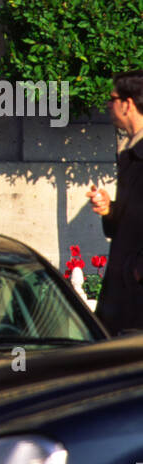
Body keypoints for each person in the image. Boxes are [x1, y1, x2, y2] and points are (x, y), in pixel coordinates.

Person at [88, 71, 143, 333]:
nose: (108, 106)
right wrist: (109, 209)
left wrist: (137, 271)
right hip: (121, 291)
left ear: (128, 104)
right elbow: (125, 225)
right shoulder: (130, 152)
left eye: (113, 99)